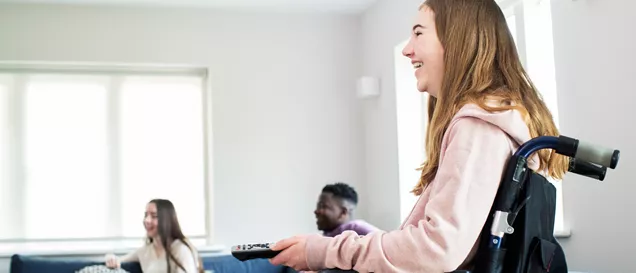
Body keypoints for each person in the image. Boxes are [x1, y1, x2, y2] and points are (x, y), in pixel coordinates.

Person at [268, 0, 569, 272]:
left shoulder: (479, 128)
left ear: (457, 40)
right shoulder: (496, 125)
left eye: (419, 33)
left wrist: (323, 251)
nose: (407, 49)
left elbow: (437, 249)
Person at [105, 199, 204, 273]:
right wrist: (110, 258)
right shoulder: (144, 251)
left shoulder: (181, 249)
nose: (147, 220)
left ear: (167, 220)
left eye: (154, 216)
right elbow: (117, 259)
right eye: (146, 215)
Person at [315, 183, 379, 237]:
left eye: (323, 206)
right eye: (318, 206)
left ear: (343, 212)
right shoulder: (326, 237)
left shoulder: (357, 229)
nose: (316, 211)